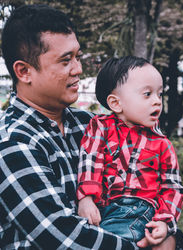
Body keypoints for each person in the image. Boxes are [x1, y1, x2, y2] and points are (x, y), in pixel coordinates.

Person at [0, 5, 137, 249]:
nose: (78, 69)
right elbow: (62, 238)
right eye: (65, 61)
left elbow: (138, 190)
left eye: (77, 56)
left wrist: (165, 232)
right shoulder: (13, 142)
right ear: (24, 71)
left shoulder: (90, 125)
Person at [77, 56, 183, 249]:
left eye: (159, 94)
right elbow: (90, 160)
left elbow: (173, 188)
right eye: (147, 94)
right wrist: (86, 199)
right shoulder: (100, 128)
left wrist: (164, 221)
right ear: (116, 103)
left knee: (108, 241)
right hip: (103, 208)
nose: (157, 102)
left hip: (140, 209)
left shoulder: (162, 144)